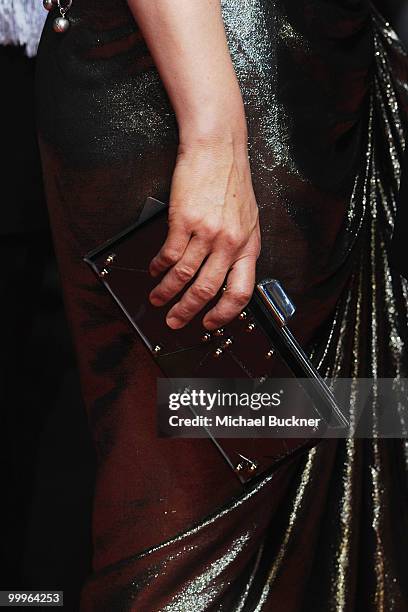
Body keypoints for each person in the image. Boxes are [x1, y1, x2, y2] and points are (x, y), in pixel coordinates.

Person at [36, 0, 408, 610]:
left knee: (325, 500)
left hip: (318, 87)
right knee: (194, 549)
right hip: (217, 83)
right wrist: (213, 137)